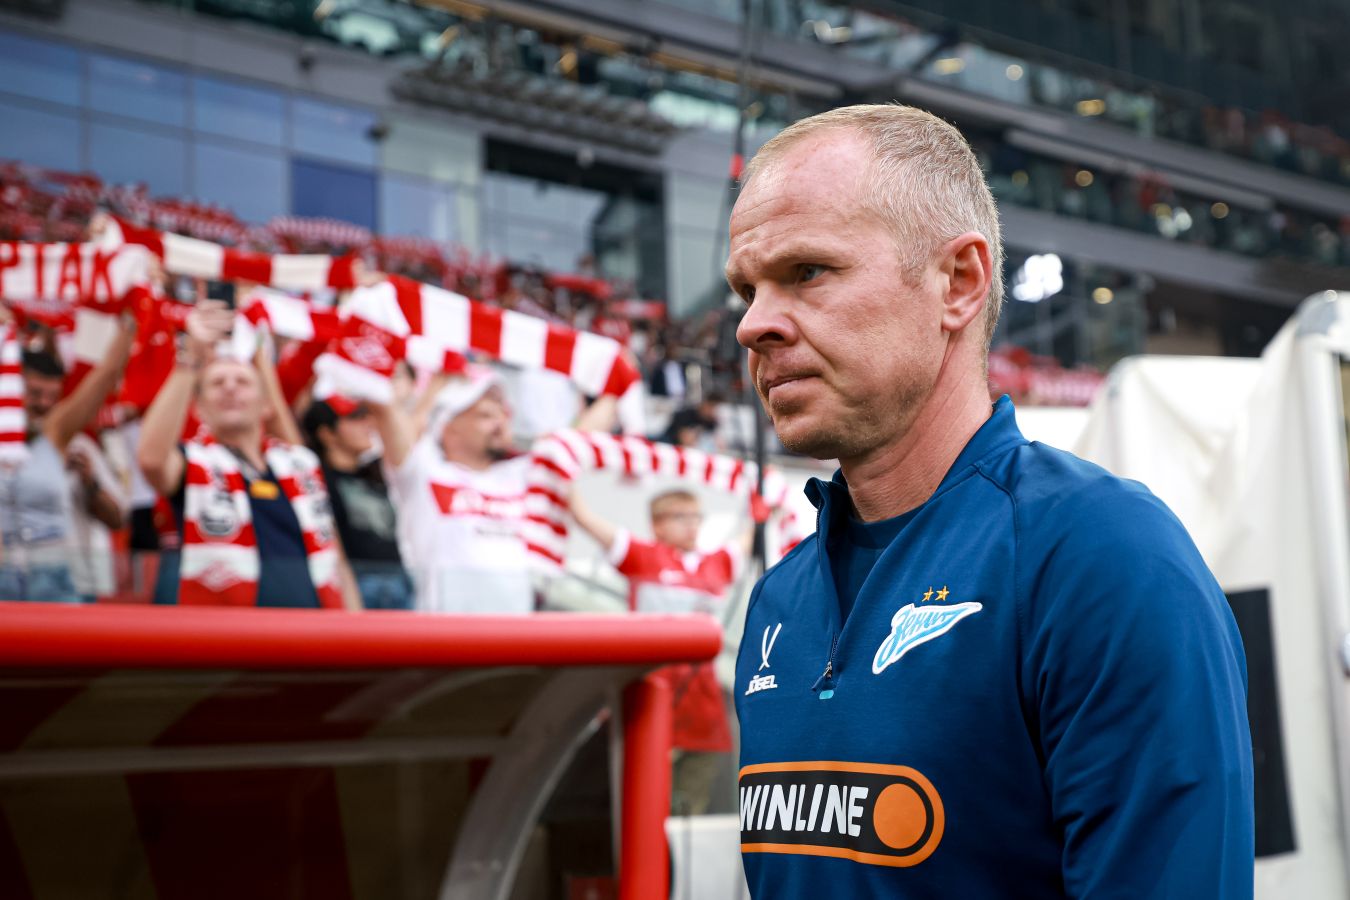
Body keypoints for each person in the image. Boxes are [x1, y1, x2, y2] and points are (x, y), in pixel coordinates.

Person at [726, 105, 1252, 897]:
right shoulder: (779, 602)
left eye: (807, 272)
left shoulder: (1102, 558)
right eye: (746, 289)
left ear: (959, 283)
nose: (753, 325)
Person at [137, 299, 359, 610]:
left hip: (314, 632)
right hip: (230, 635)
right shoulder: (196, 461)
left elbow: (336, 558)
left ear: (267, 405)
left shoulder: (300, 463)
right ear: (198, 409)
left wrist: (354, 626)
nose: (230, 388)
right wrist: (190, 360)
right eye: (217, 383)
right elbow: (152, 459)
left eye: (242, 381)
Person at [371, 364, 615, 614]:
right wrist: (437, 385)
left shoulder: (523, 475)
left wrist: (615, 381)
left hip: (514, 633)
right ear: (448, 427)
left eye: (503, 413)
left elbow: (579, 440)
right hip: (444, 633)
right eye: (485, 416)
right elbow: (392, 418)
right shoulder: (424, 473)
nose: (501, 422)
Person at [569, 486, 752, 814]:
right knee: (644, 808)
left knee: (689, 813)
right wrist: (561, 479)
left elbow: (750, 535)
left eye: (697, 517)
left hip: (703, 712)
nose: (692, 525)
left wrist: (765, 507)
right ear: (657, 525)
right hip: (653, 702)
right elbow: (585, 519)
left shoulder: (716, 562)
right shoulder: (642, 556)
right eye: (681, 517)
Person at [0, 320, 134, 602]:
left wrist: (131, 318)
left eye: (53, 396)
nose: (44, 404)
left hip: (56, 576)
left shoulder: (59, 436)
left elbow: (106, 374)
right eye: (34, 393)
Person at [302, 395, 412, 611]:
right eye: (355, 418)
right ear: (327, 434)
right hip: (356, 585)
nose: (368, 423)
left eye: (367, 416)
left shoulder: (377, 473)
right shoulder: (315, 479)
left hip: (400, 581)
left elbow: (409, 438)